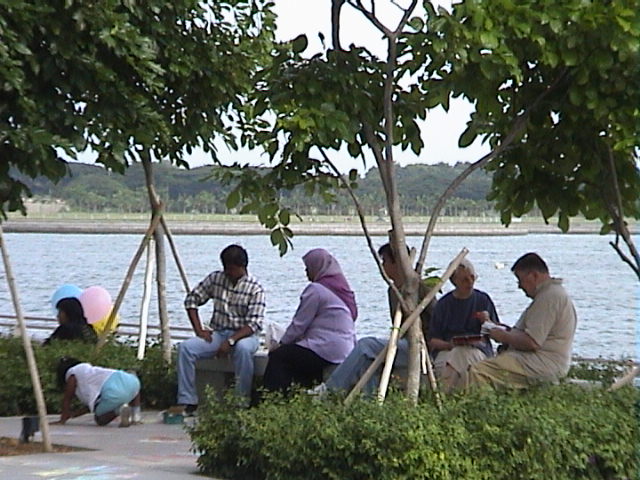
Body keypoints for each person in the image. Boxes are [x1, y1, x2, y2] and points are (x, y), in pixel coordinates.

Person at [312, 243, 435, 396]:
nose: (383, 266)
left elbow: (435, 321)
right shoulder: (393, 291)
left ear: (396, 262)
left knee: (365, 345)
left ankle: (329, 390)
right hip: (402, 343)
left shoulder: (420, 288)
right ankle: (368, 404)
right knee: (367, 362)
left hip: (419, 348)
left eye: (385, 261)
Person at [463, 252, 577, 389]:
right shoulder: (551, 294)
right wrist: (494, 326)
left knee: (479, 371)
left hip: (544, 363)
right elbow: (524, 333)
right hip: (545, 360)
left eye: (520, 280)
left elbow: (532, 342)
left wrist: (503, 336)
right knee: (494, 364)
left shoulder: (549, 297)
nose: (519, 286)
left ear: (533, 275)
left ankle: (481, 407)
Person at [177, 244, 265, 412]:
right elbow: (191, 301)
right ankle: (187, 400)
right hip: (218, 332)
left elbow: (254, 324)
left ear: (242, 267)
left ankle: (241, 402)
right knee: (185, 348)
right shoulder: (215, 279)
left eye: (231, 269)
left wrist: (231, 341)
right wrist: (199, 330)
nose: (227, 272)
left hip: (245, 335)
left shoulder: (255, 288)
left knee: (243, 349)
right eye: (225, 268)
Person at [263, 248, 357, 393]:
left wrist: (281, 344)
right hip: (344, 349)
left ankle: (269, 400)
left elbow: (299, 325)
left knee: (279, 357)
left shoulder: (316, 290)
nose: (306, 272)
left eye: (308, 268)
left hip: (325, 348)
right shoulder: (342, 290)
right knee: (299, 359)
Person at [427, 258, 499, 392]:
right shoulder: (444, 305)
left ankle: (443, 396)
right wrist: (450, 345)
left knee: (460, 355)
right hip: (447, 350)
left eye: (472, 277)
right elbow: (433, 341)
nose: (470, 282)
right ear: (454, 281)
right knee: (457, 358)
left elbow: (497, 334)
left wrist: (486, 322)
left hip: (478, 350)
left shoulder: (483, 300)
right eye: (465, 279)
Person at [53, 357, 141, 427]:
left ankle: (119, 409)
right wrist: (74, 414)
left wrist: (63, 419)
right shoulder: (91, 371)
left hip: (113, 393)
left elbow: (67, 398)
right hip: (132, 381)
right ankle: (136, 416)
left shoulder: (72, 374)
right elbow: (92, 406)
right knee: (131, 385)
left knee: (100, 419)